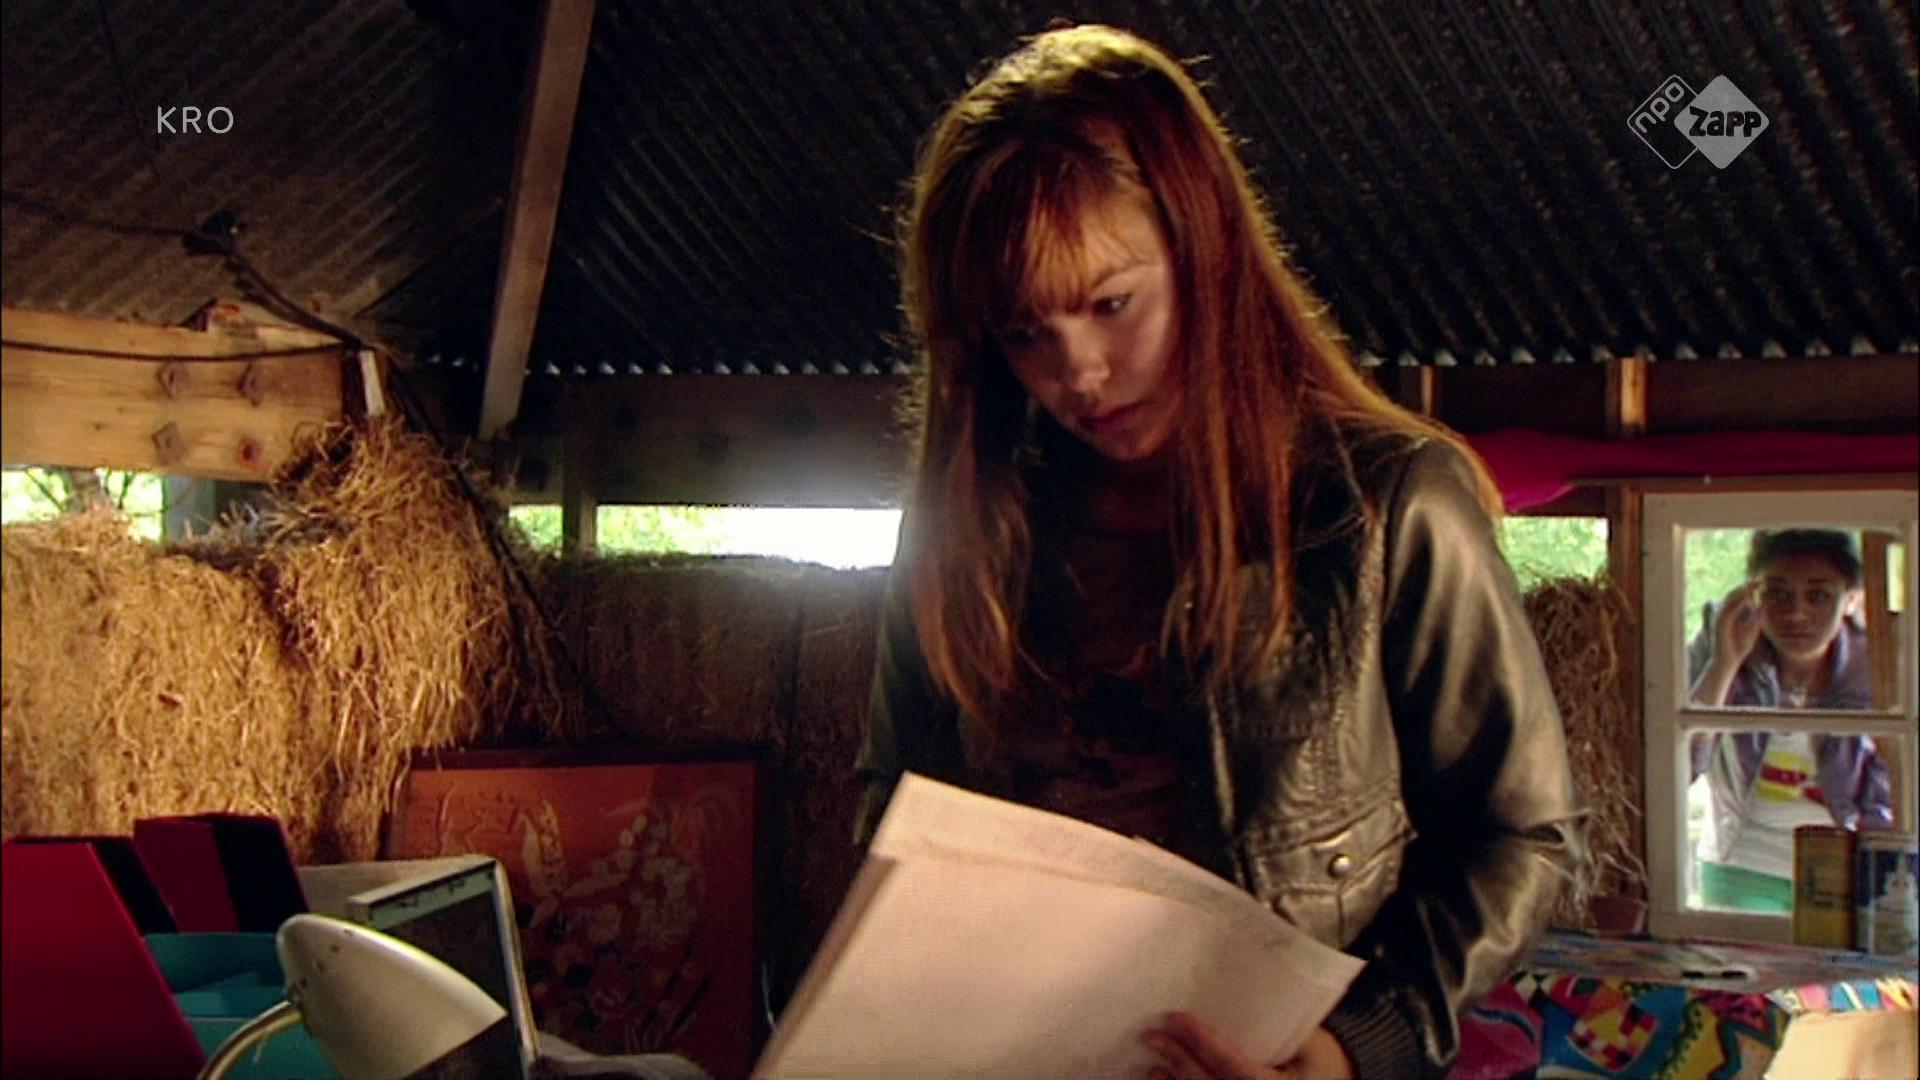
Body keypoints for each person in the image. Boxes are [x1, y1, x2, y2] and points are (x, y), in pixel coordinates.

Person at [853, 24, 1582, 1080]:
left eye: (1112, 304)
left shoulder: (1390, 506)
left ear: (1206, 251)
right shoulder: (967, 524)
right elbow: (895, 803)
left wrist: (1349, 1050)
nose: (1079, 372)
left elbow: (1521, 837)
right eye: (1025, 333)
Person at [1687, 528, 1894, 914]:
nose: (1796, 614)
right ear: (1755, 594)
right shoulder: (1727, 637)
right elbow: (1681, 764)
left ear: (1851, 600)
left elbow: (1888, 791)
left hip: (1840, 867)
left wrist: (1878, 875)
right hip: (1740, 863)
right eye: (1778, 594)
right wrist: (1724, 663)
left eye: (1818, 596)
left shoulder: (1874, 663)